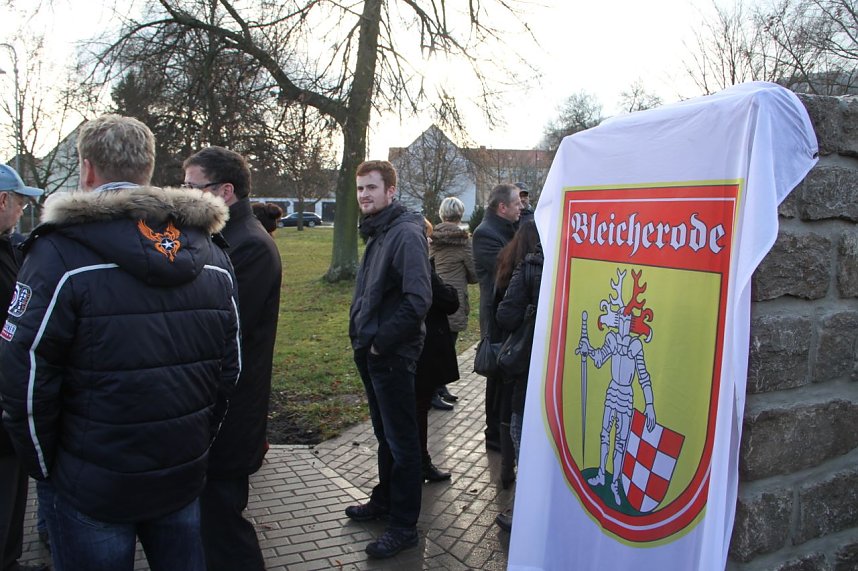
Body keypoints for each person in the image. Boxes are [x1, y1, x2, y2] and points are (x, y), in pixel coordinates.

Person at [0, 114, 241, 571]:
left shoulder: (57, 251)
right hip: (179, 471)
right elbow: (230, 371)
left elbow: (24, 375)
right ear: (147, 169)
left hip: (92, 484)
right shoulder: (210, 252)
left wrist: (45, 466)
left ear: (87, 171)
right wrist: (195, 443)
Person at [183, 146, 282, 571]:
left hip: (232, 411)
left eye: (192, 189)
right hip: (215, 406)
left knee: (223, 523)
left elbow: (223, 332)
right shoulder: (221, 238)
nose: (183, 197)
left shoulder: (250, 247)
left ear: (225, 191)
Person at [346, 160, 431, 559]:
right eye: (360, 188)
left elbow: (418, 299)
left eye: (372, 188)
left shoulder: (405, 233)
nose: (364, 195)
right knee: (385, 436)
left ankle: (404, 526)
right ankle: (384, 500)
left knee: (403, 444)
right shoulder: (378, 231)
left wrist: (381, 343)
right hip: (371, 351)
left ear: (391, 191)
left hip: (391, 355)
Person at [0, 164, 48, 571]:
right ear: (2, 200)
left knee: (14, 486)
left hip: (8, 394)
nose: (22, 209)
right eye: (19, 201)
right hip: (4, 393)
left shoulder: (10, 247)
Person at [494, 221, 543, 532]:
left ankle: (524, 512)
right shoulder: (574, 260)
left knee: (522, 433)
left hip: (527, 367)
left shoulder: (528, 265)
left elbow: (505, 315)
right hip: (562, 369)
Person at [472, 183, 521, 452]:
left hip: (507, 315)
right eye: (516, 204)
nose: (521, 207)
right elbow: (506, 270)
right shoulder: (485, 234)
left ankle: (501, 430)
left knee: (506, 377)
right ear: (502, 207)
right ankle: (494, 435)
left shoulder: (506, 230)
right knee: (497, 376)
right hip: (495, 318)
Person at [416, 219, 459, 482]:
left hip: (416, 349)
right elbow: (448, 300)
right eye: (427, 237)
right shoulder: (421, 267)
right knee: (418, 410)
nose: (431, 241)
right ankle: (420, 462)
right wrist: (450, 288)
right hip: (423, 349)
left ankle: (418, 461)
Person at [429, 196, 478, 408]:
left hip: (431, 297)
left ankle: (439, 388)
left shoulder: (431, 237)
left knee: (434, 346)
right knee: (448, 346)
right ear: (460, 215)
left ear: (442, 214)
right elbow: (474, 273)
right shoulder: (464, 241)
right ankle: (434, 392)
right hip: (453, 299)